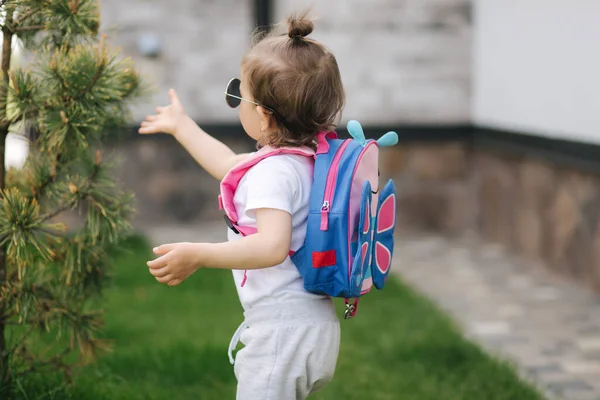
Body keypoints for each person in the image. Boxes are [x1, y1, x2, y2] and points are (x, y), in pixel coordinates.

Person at [139, 11, 346, 400]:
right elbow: (224, 165)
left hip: (280, 334)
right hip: (313, 327)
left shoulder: (273, 174)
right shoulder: (303, 161)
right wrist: (182, 126)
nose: (235, 100)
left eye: (238, 92)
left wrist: (198, 255)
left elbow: (271, 246)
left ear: (264, 115)